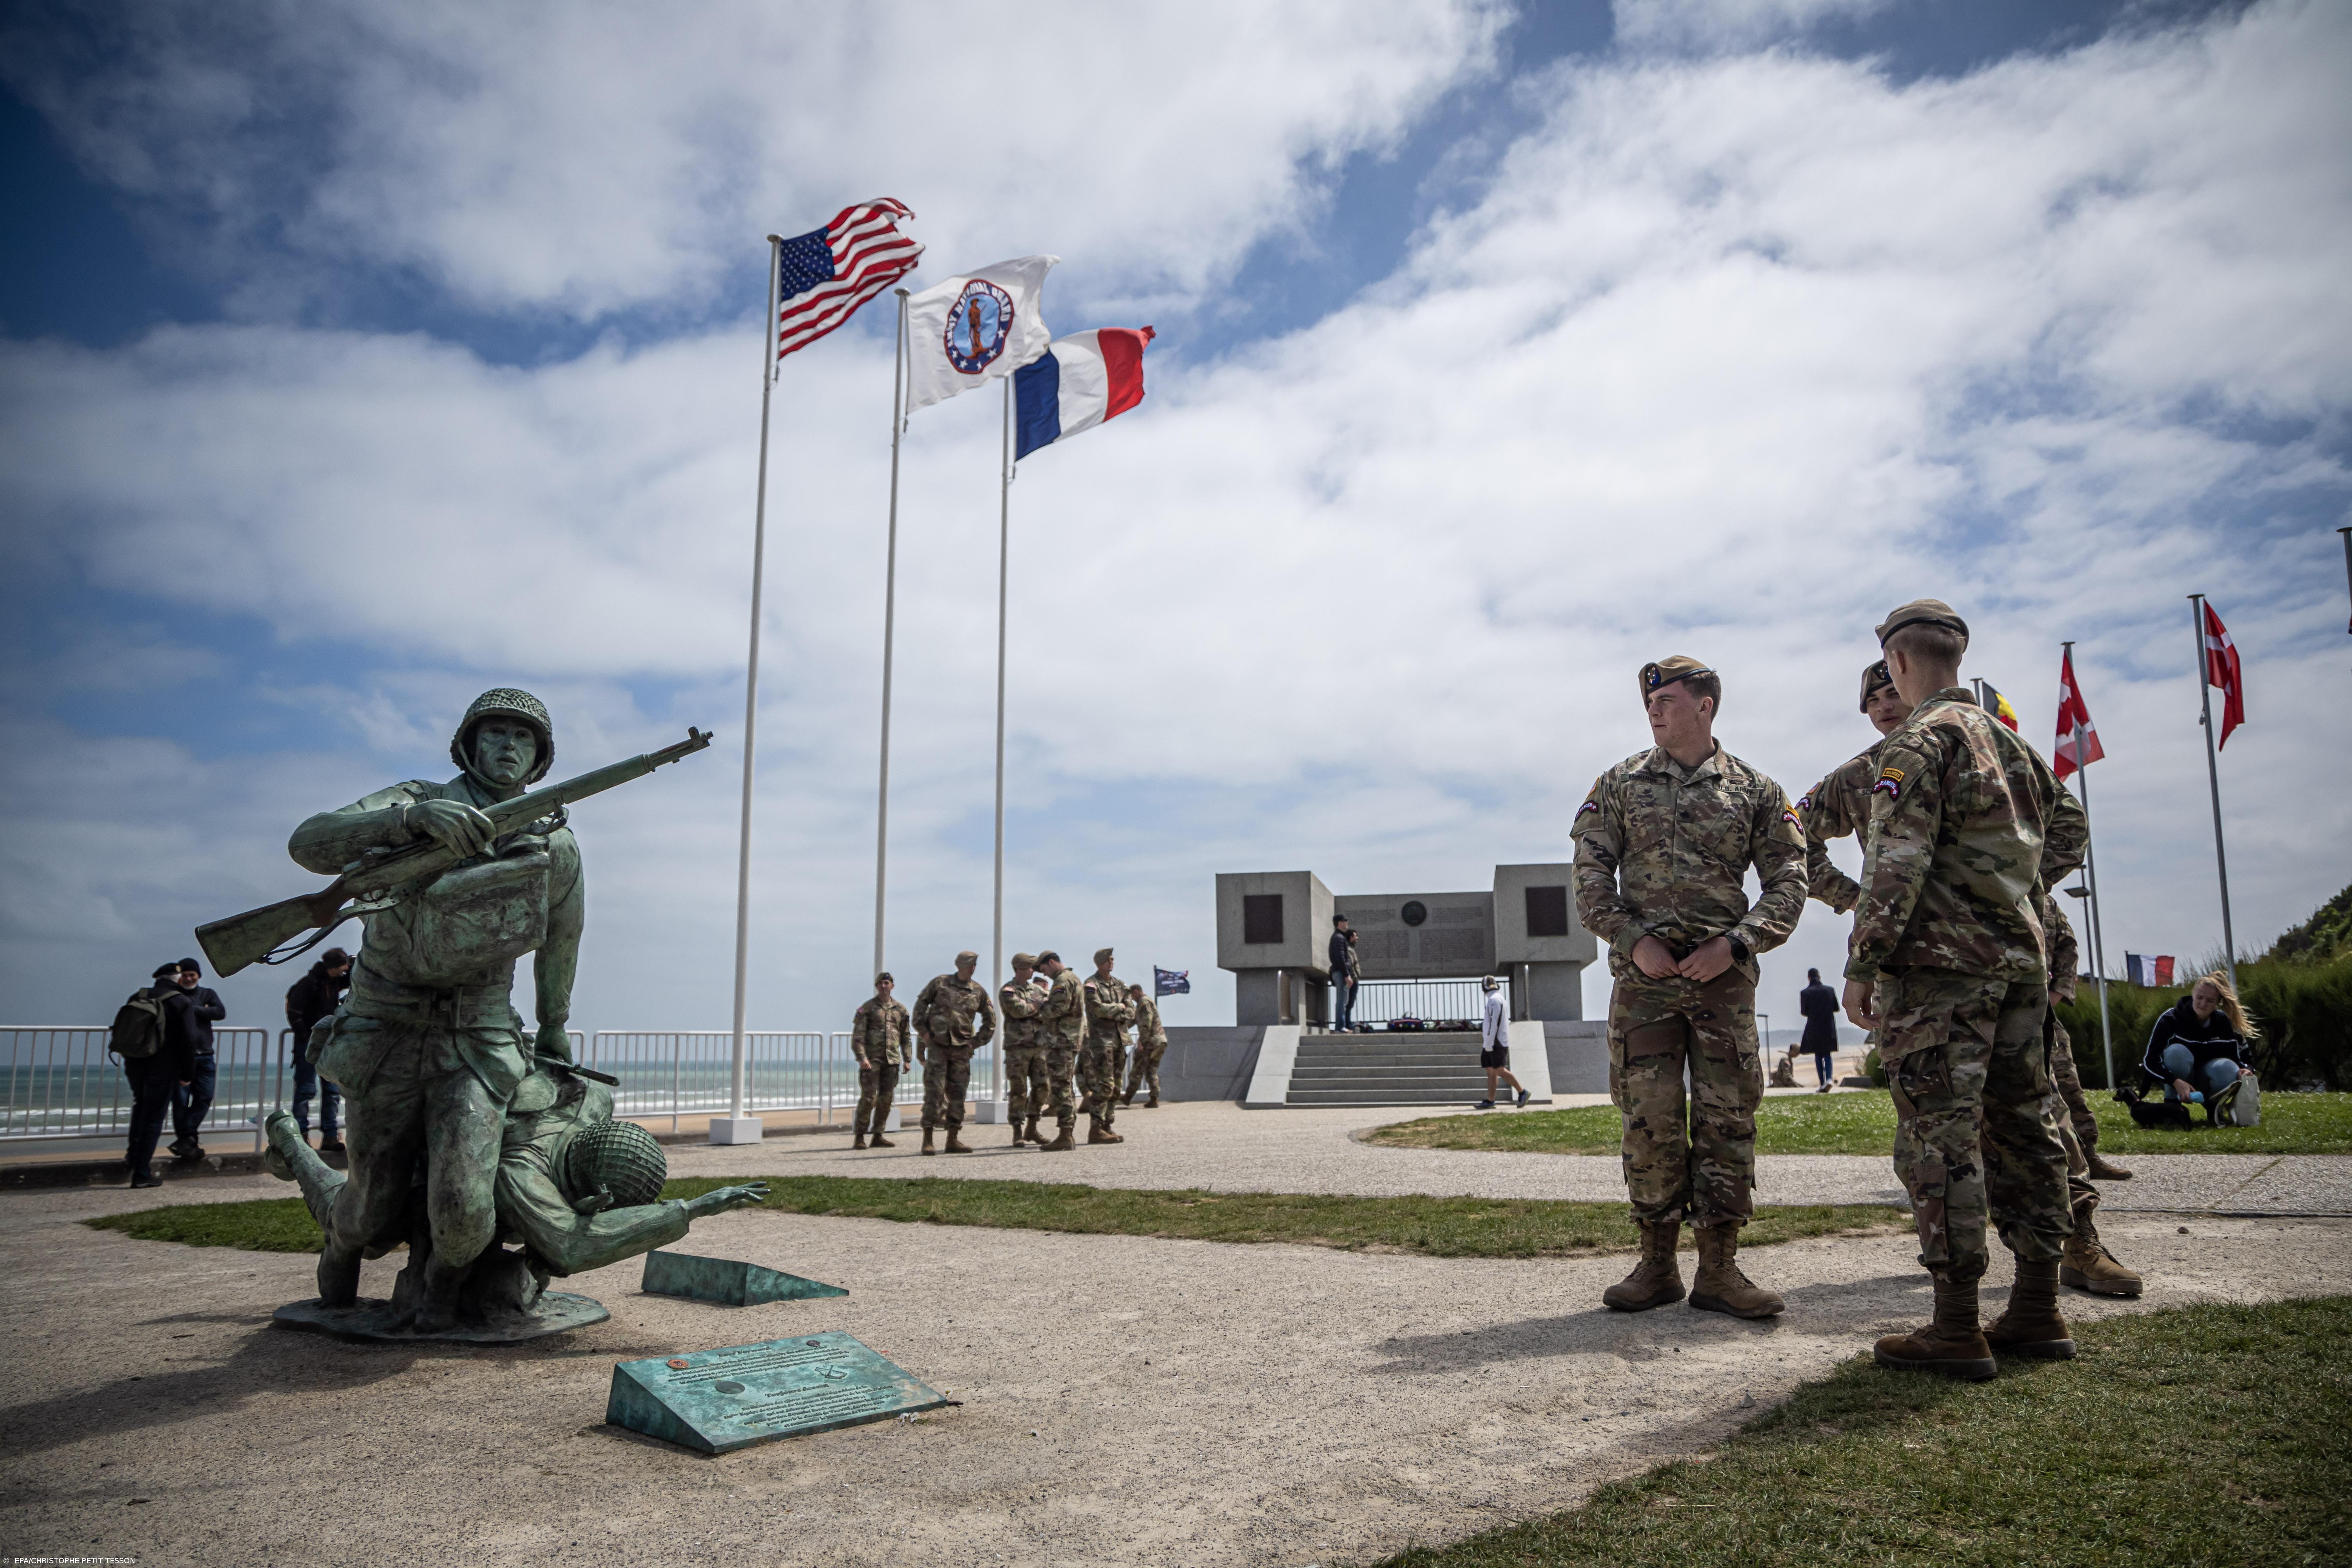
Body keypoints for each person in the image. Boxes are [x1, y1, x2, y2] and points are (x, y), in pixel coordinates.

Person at [1841, 600, 2088, 1378]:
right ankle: (2038, 1308)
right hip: (2020, 964)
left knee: (1940, 1140)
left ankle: (1955, 1326)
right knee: (2026, 1126)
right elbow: (2071, 829)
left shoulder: (1917, 743)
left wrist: (1865, 962)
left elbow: (1896, 864)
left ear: (1898, 663)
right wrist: (2007, 893)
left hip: (1942, 975)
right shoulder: (2008, 742)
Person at [288, 687, 584, 1333]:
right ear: (469, 744)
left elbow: (562, 941)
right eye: (495, 733)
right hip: (385, 1028)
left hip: (476, 1038)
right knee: (370, 1212)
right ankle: (340, 1245)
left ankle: (443, 1288)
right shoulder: (415, 801)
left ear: (540, 757)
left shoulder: (554, 844)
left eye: (524, 738)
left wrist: (555, 1028)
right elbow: (309, 843)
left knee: (464, 1207)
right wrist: (411, 824)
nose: (508, 747)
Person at [1572, 654, 1807, 1320]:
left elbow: (1790, 880)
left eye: (1667, 700)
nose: (1653, 710)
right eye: (1649, 702)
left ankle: (1720, 1270)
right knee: (1649, 1120)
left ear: (1705, 706)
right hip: (1644, 984)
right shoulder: (1618, 784)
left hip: (1721, 982)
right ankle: (1656, 1266)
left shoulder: (1756, 790)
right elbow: (1589, 877)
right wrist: (1632, 940)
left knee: (1726, 1119)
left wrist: (1736, 943)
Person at [264, 1065, 767, 1303]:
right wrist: (691, 1209)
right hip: (422, 1168)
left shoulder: (590, 1100)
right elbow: (573, 1243)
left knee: (489, 1267)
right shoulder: (524, 1173)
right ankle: (290, 1140)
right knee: (357, 1227)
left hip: (454, 1149)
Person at [2037, 893, 2142, 1296]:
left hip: (2024, 1010)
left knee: (2055, 1103)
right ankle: (1952, 1264)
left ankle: (2079, 1239)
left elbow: (2066, 944)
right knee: (1944, 1141)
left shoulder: (2038, 892)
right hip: (1945, 1014)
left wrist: (2055, 993)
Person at [1798, 659, 1915, 915]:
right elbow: (1791, 839)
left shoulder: (1965, 753)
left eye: (1894, 694)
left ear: (1913, 694)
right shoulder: (1857, 775)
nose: (1884, 707)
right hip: (1896, 929)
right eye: (1873, 701)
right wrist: (1851, 897)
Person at [121, 963, 198, 1188]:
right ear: (177, 979)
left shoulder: (138, 996)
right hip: (163, 1068)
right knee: (153, 1119)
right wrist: (188, 1072)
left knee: (140, 1109)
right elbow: (189, 1040)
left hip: (135, 1064)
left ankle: (133, 1156)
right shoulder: (180, 1001)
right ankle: (142, 1174)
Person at [912, 951, 996, 1155]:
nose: (973, 968)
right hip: (938, 1047)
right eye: (969, 965)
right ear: (960, 966)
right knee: (934, 1093)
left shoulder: (978, 992)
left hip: (961, 1050)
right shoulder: (940, 983)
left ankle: (953, 1139)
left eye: (975, 965)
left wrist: (975, 1044)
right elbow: (920, 1008)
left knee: (958, 1095)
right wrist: (924, 1033)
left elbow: (990, 1021)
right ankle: (928, 1140)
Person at [2139, 972, 2252, 1116]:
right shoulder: (2171, 1019)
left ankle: (2214, 1107)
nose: (2203, 1004)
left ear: (2218, 1002)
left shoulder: (2227, 1023)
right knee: (2176, 1052)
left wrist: (2247, 1070)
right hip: (2174, 1080)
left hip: (2206, 1077)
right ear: (2193, 994)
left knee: (2228, 1068)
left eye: (2210, 1001)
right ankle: (2172, 1107)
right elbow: (2150, 1061)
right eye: (2200, 998)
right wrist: (2175, 1082)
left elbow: (2246, 1058)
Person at [284, 948, 352, 1151]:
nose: (346, 969)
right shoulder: (308, 984)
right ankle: (301, 1135)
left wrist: (354, 967)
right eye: (344, 965)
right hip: (309, 1043)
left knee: (332, 1090)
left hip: (329, 1043)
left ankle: (330, 1136)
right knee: (306, 1089)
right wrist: (307, 1038)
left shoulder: (332, 981)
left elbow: (352, 979)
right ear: (334, 966)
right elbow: (295, 1013)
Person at [163, 958, 226, 1159]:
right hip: (181, 1058)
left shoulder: (208, 994)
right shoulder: (173, 996)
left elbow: (220, 1013)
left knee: (205, 1097)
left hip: (205, 1056)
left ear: (199, 976)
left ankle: (186, 1139)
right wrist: (202, 1010)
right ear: (179, 977)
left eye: (192, 975)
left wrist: (191, 1009)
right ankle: (189, 1141)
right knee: (180, 1102)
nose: (189, 979)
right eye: (185, 975)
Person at [849, 973, 910, 1150]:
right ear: (876, 987)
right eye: (880, 984)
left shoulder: (901, 1010)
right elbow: (858, 1037)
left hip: (892, 1061)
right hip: (872, 1061)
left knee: (886, 1099)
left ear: (892, 986)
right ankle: (860, 1136)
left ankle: (878, 1135)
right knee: (869, 1099)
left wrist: (907, 1059)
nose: (883, 986)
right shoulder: (867, 1008)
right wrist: (862, 1058)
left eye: (886, 983)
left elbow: (906, 1037)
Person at [1081, 948, 1135, 1144]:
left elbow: (1131, 1012)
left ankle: (1107, 1125)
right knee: (1105, 1085)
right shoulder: (1091, 985)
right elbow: (1097, 1009)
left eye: (1112, 959)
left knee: (1116, 1087)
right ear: (1099, 963)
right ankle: (1095, 1128)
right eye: (1108, 959)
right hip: (1102, 1042)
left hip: (1120, 1040)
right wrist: (1119, 1007)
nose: (1111, 962)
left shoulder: (1121, 985)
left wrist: (1114, 1012)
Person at [1034, 951, 1085, 1151]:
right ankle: (1067, 1133)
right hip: (1069, 1039)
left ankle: (1065, 1135)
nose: (1045, 974)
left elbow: (1057, 1010)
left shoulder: (1062, 981)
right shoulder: (1074, 978)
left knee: (1060, 1088)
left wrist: (1040, 1006)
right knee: (1066, 1086)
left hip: (1060, 1041)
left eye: (1044, 969)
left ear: (1053, 962)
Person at [1000, 955, 1052, 1144]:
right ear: (1020, 969)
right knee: (1018, 1090)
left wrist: (1033, 1009)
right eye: (1031, 967)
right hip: (1018, 1049)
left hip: (1039, 1047)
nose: (1034, 971)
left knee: (1042, 1087)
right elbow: (1017, 1011)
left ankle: (1032, 1128)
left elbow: (1049, 1011)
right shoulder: (1008, 991)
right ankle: (1017, 1131)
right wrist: (1036, 1008)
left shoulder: (1037, 990)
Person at [1476, 976, 1530, 1109]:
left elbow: (1493, 1024)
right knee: (1491, 1071)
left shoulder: (1494, 1001)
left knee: (1500, 1070)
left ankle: (1522, 1092)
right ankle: (1491, 1100)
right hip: (1493, 1042)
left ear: (1484, 989)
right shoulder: (1498, 999)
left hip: (1496, 1043)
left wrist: (1489, 1044)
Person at [1122, 983, 1168, 1107]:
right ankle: (1154, 1099)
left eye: (1131, 995)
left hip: (1152, 1041)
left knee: (1138, 1069)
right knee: (1150, 1070)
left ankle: (1128, 1097)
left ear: (1137, 992)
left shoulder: (1144, 1002)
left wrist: (1142, 1040)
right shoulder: (1141, 1006)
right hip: (1160, 1042)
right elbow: (1132, 1022)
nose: (1131, 998)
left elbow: (1148, 1020)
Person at [1798, 967, 1840, 1092]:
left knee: (1818, 1055)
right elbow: (1836, 1008)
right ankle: (1829, 1079)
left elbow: (1804, 1012)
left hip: (1814, 1027)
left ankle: (1822, 1083)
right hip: (1828, 1026)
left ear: (1809, 978)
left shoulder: (1805, 993)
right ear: (1820, 977)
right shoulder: (1830, 990)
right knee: (1827, 1054)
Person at [1329, 914, 1357, 1032]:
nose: (1347, 923)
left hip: (1340, 973)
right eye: (1345, 921)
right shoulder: (1339, 938)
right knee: (1342, 1001)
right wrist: (1347, 976)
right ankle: (1340, 1027)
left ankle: (1341, 1027)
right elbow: (1340, 958)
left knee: (1343, 1001)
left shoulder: (1339, 937)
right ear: (1340, 923)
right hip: (1341, 974)